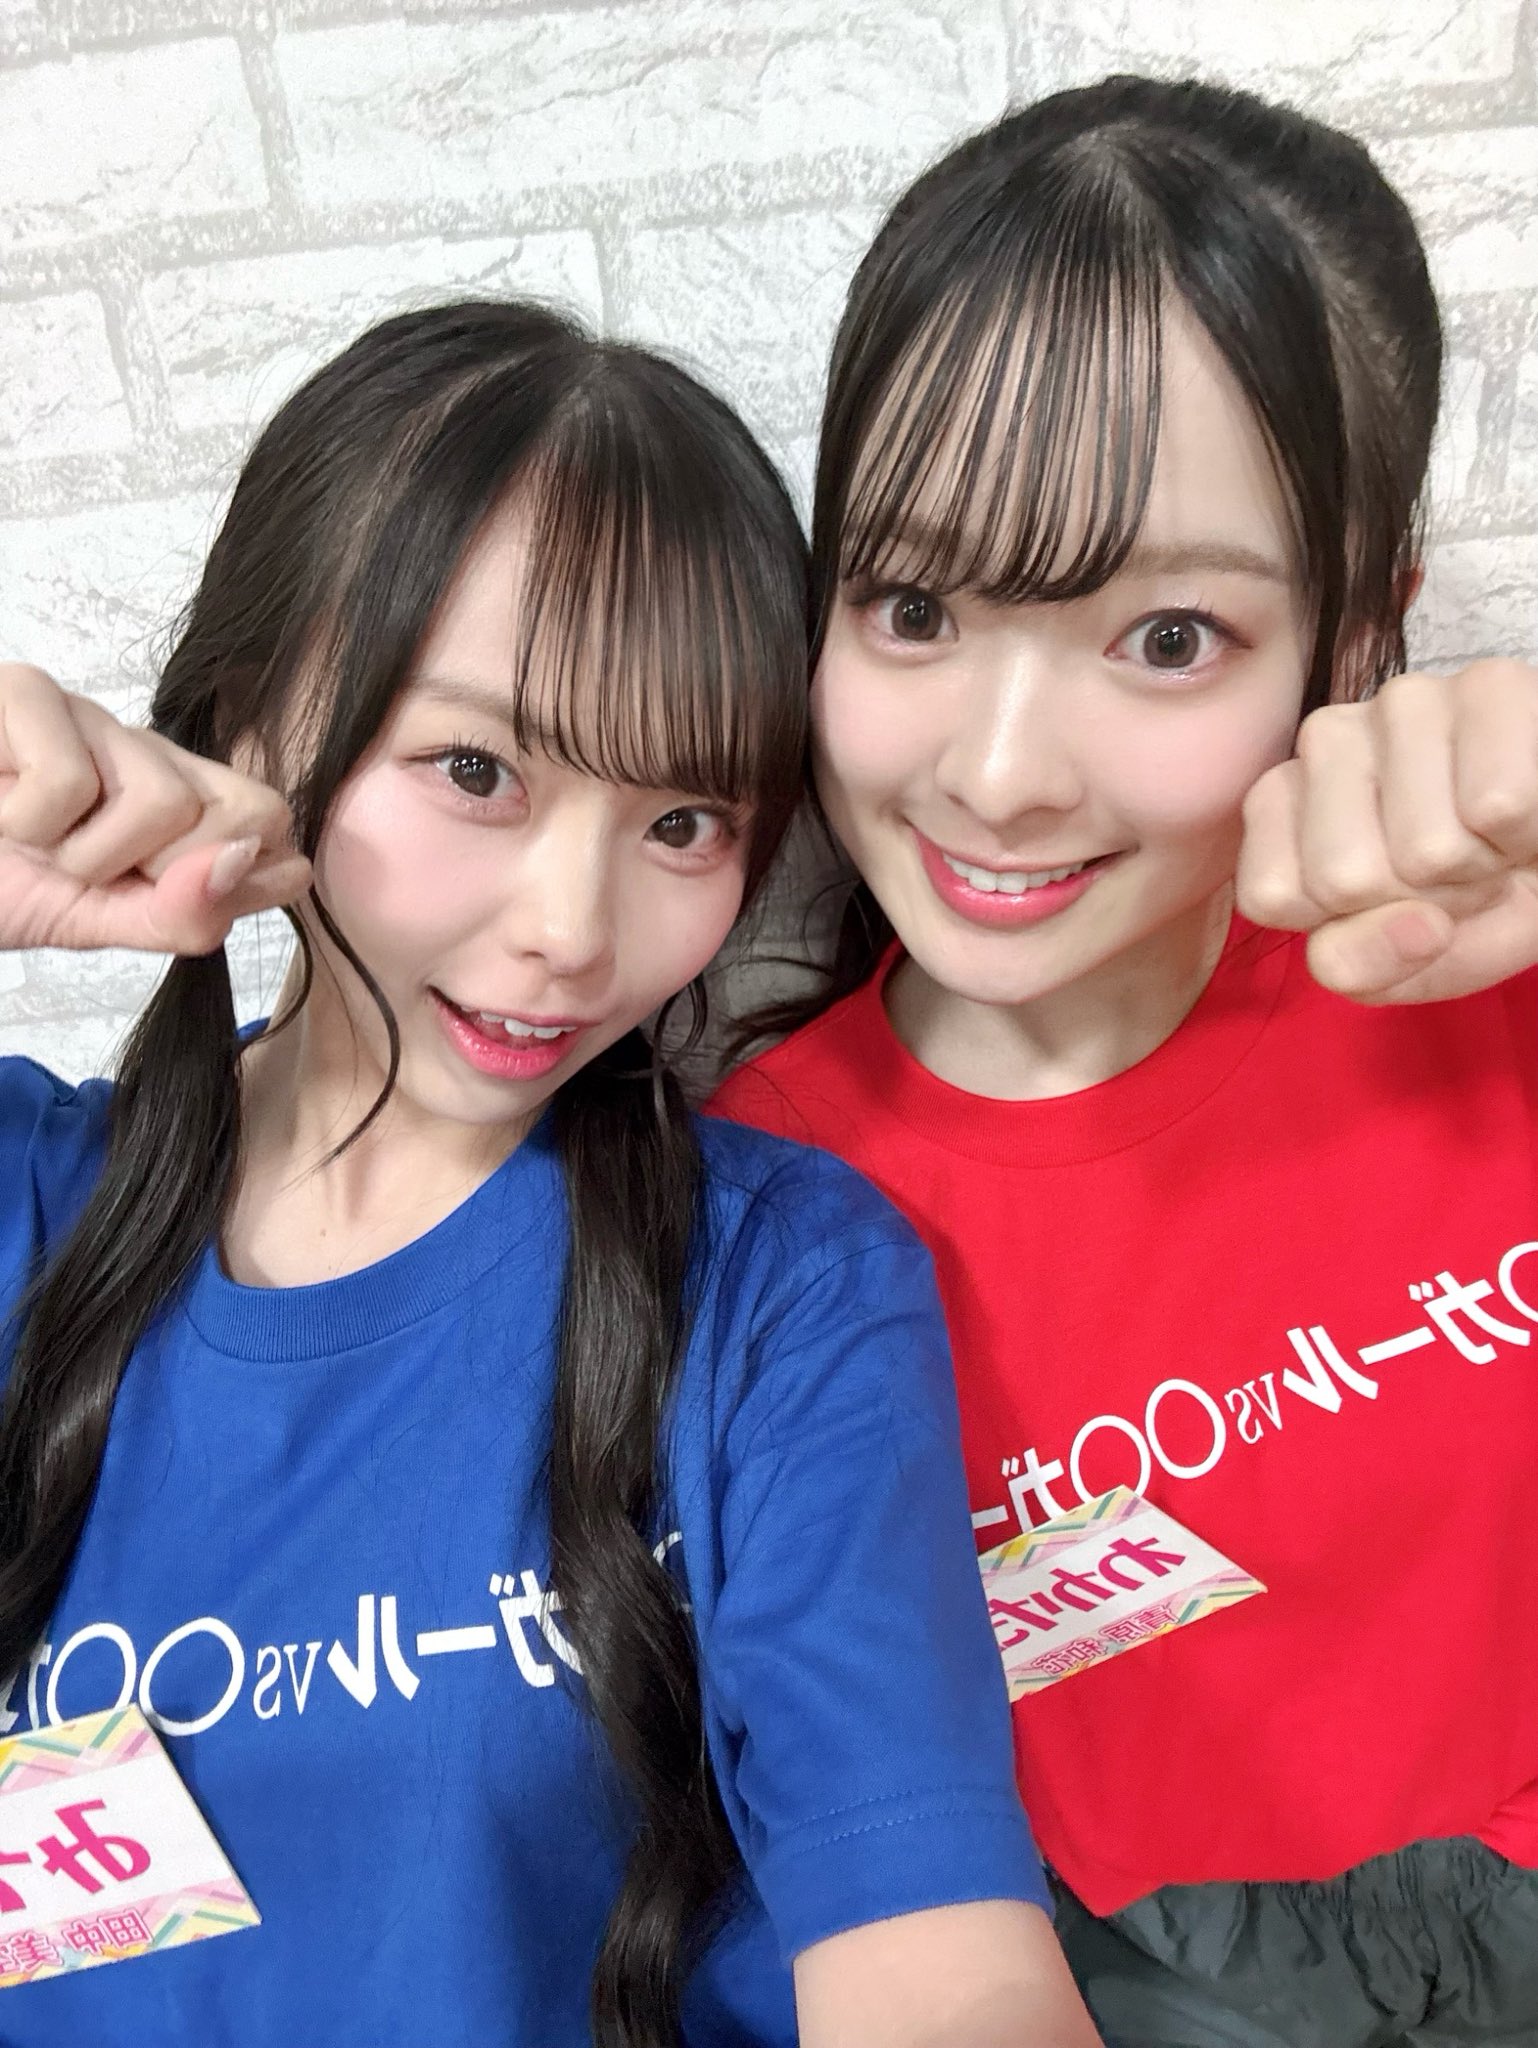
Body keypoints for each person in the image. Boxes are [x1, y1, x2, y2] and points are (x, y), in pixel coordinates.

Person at [0, 301, 1099, 2048]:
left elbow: (938, 1954)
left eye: (683, 823)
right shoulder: (26, 1203)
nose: (576, 935)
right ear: (245, 721)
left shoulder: (781, 1289)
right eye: (476, 771)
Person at [712, 76, 1538, 2048]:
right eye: (912, 606)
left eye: (1166, 638)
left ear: (1357, 638)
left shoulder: (1487, 962)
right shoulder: (735, 1225)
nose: (998, 775)